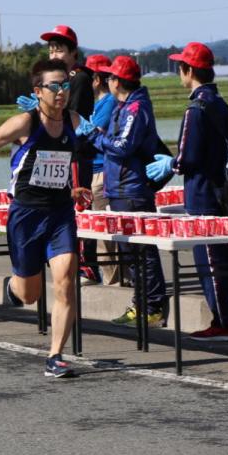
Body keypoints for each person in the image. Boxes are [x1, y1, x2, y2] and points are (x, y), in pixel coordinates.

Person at [0, 58, 89, 378]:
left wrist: (74, 186)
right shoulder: (24, 124)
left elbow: (67, 160)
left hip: (60, 213)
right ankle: (14, 288)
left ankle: (55, 356)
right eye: (53, 86)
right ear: (38, 91)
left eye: (65, 85)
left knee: (66, 281)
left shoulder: (73, 120)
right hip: (26, 215)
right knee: (30, 294)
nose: (61, 92)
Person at [147, 42, 228, 341]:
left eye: (180, 68)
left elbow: (187, 156)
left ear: (187, 71)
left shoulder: (195, 107)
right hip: (223, 192)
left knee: (210, 263)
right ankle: (226, 319)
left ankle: (225, 322)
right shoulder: (220, 103)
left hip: (202, 195)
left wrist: (169, 163)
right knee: (221, 260)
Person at [82, 55, 168, 327]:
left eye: (110, 77)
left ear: (119, 81)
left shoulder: (136, 107)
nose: (107, 81)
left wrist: (94, 135)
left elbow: (122, 146)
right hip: (119, 188)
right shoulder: (124, 105)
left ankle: (152, 308)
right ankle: (139, 305)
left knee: (144, 253)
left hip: (132, 189)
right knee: (131, 254)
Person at [84, 53, 122, 286]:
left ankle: (113, 282)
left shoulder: (107, 104)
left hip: (101, 172)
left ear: (96, 79)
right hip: (97, 171)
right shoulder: (99, 104)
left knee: (103, 233)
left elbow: (92, 135)